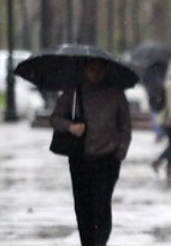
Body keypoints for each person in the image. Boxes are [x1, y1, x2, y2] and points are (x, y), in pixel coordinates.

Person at [49, 59, 132, 246]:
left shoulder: (116, 94)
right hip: (80, 160)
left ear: (106, 70)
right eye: (91, 69)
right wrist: (70, 126)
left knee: (102, 206)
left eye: (99, 69)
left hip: (107, 160)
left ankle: (99, 243)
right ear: (85, 69)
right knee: (83, 206)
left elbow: (125, 126)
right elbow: (54, 118)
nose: (96, 73)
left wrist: (120, 152)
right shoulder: (74, 93)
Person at [142, 61, 169, 142]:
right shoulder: (165, 68)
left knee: (154, 113)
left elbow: (145, 81)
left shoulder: (148, 70)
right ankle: (162, 131)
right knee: (162, 113)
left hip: (152, 94)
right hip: (162, 93)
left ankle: (159, 132)